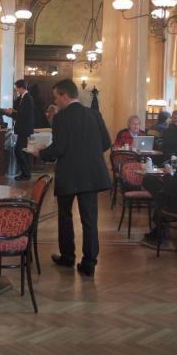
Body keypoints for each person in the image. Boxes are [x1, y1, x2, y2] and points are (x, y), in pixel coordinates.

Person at [36, 79, 111, 277]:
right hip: (91, 175)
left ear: (64, 96)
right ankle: (89, 263)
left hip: (69, 174)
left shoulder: (61, 118)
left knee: (65, 216)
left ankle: (68, 257)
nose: (55, 101)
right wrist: (89, 152)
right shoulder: (94, 114)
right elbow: (106, 143)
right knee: (90, 220)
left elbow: (59, 148)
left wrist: (40, 153)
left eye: (56, 97)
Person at [3, 79, 34, 180]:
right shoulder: (22, 97)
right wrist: (11, 112)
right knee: (23, 151)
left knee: (19, 151)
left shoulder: (27, 98)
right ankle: (25, 173)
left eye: (16, 88)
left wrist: (11, 112)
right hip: (23, 129)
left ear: (21, 87)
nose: (16, 90)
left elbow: (23, 115)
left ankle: (26, 174)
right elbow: (18, 110)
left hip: (25, 129)